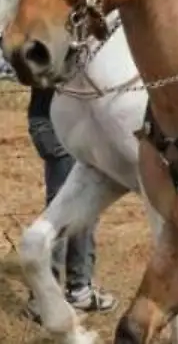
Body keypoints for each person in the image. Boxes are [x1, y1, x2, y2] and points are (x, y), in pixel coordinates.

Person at [23, 88, 117, 319]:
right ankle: (45, 298)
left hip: (78, 125)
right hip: (57, 126)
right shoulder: (57, 53)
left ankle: (79, 288)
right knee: (61, 211)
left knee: (84, 206)